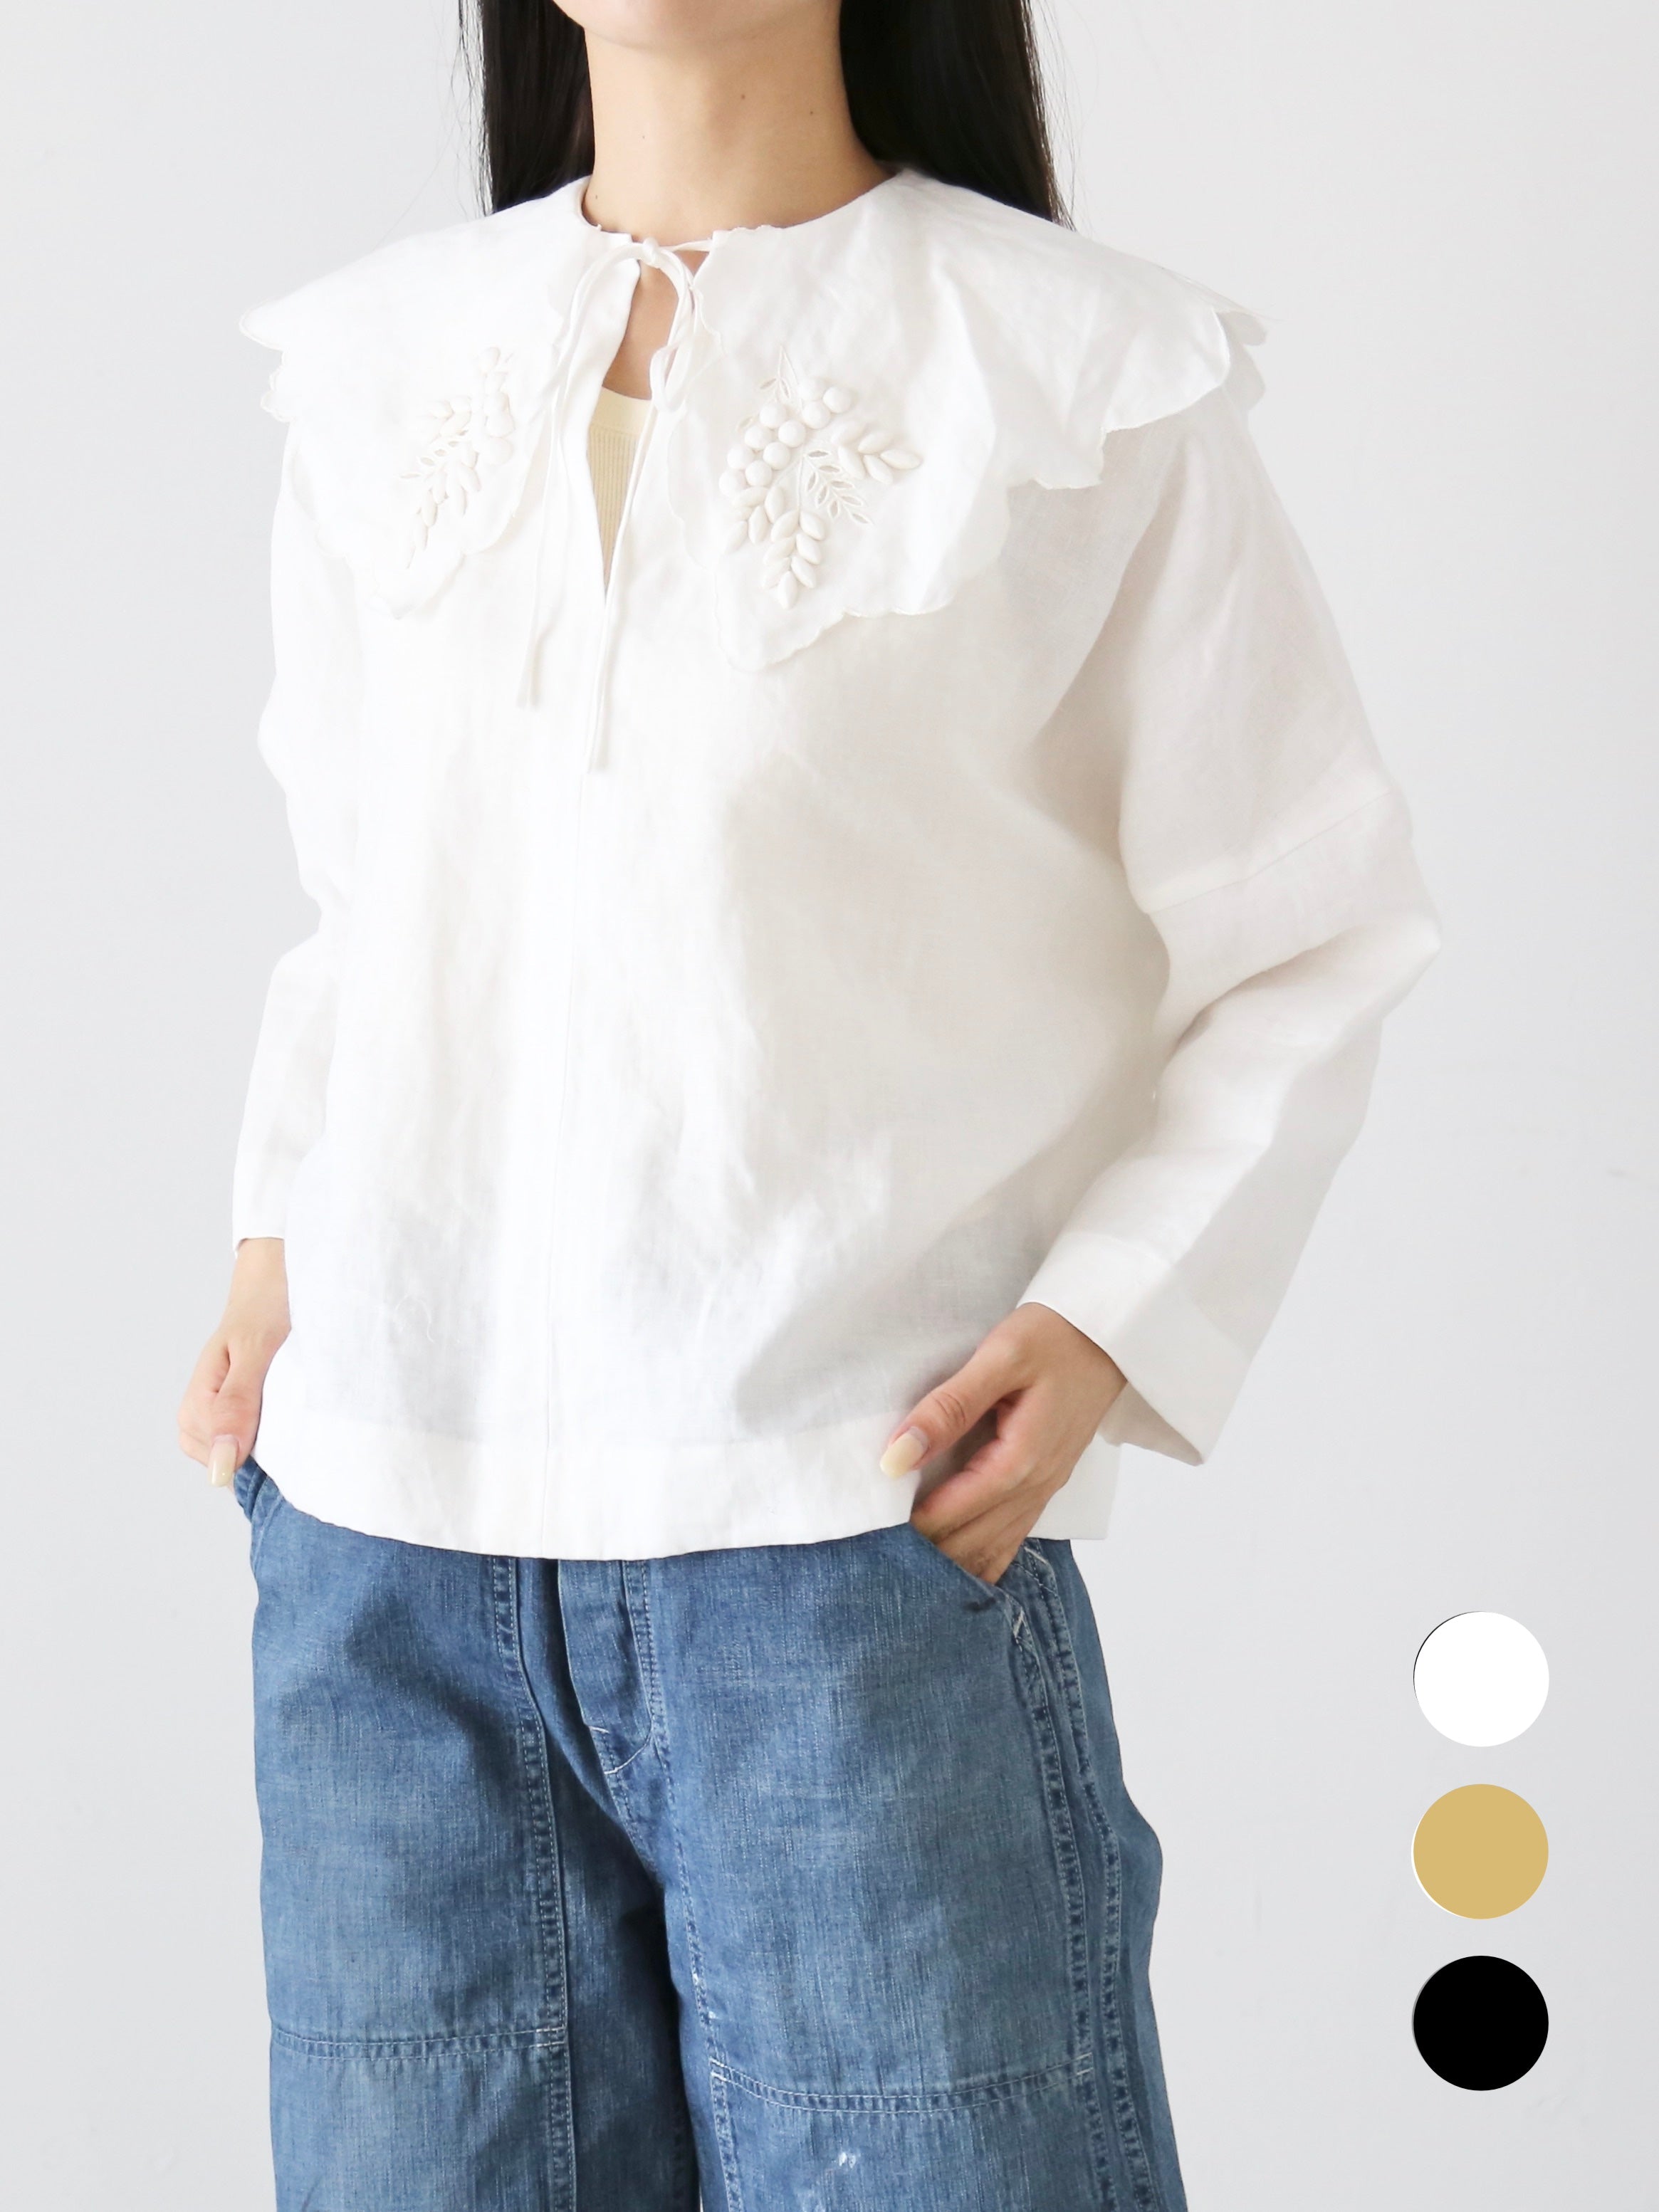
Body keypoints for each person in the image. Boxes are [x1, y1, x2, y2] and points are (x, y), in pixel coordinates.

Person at [177, 2, 1438, 2205]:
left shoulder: (1074, 376)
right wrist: (282, 1234)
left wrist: (1110, 1313)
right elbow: (365, 904)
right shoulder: (380, 370)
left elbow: (1309, 924)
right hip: (383, 1565)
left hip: (846, 1548)